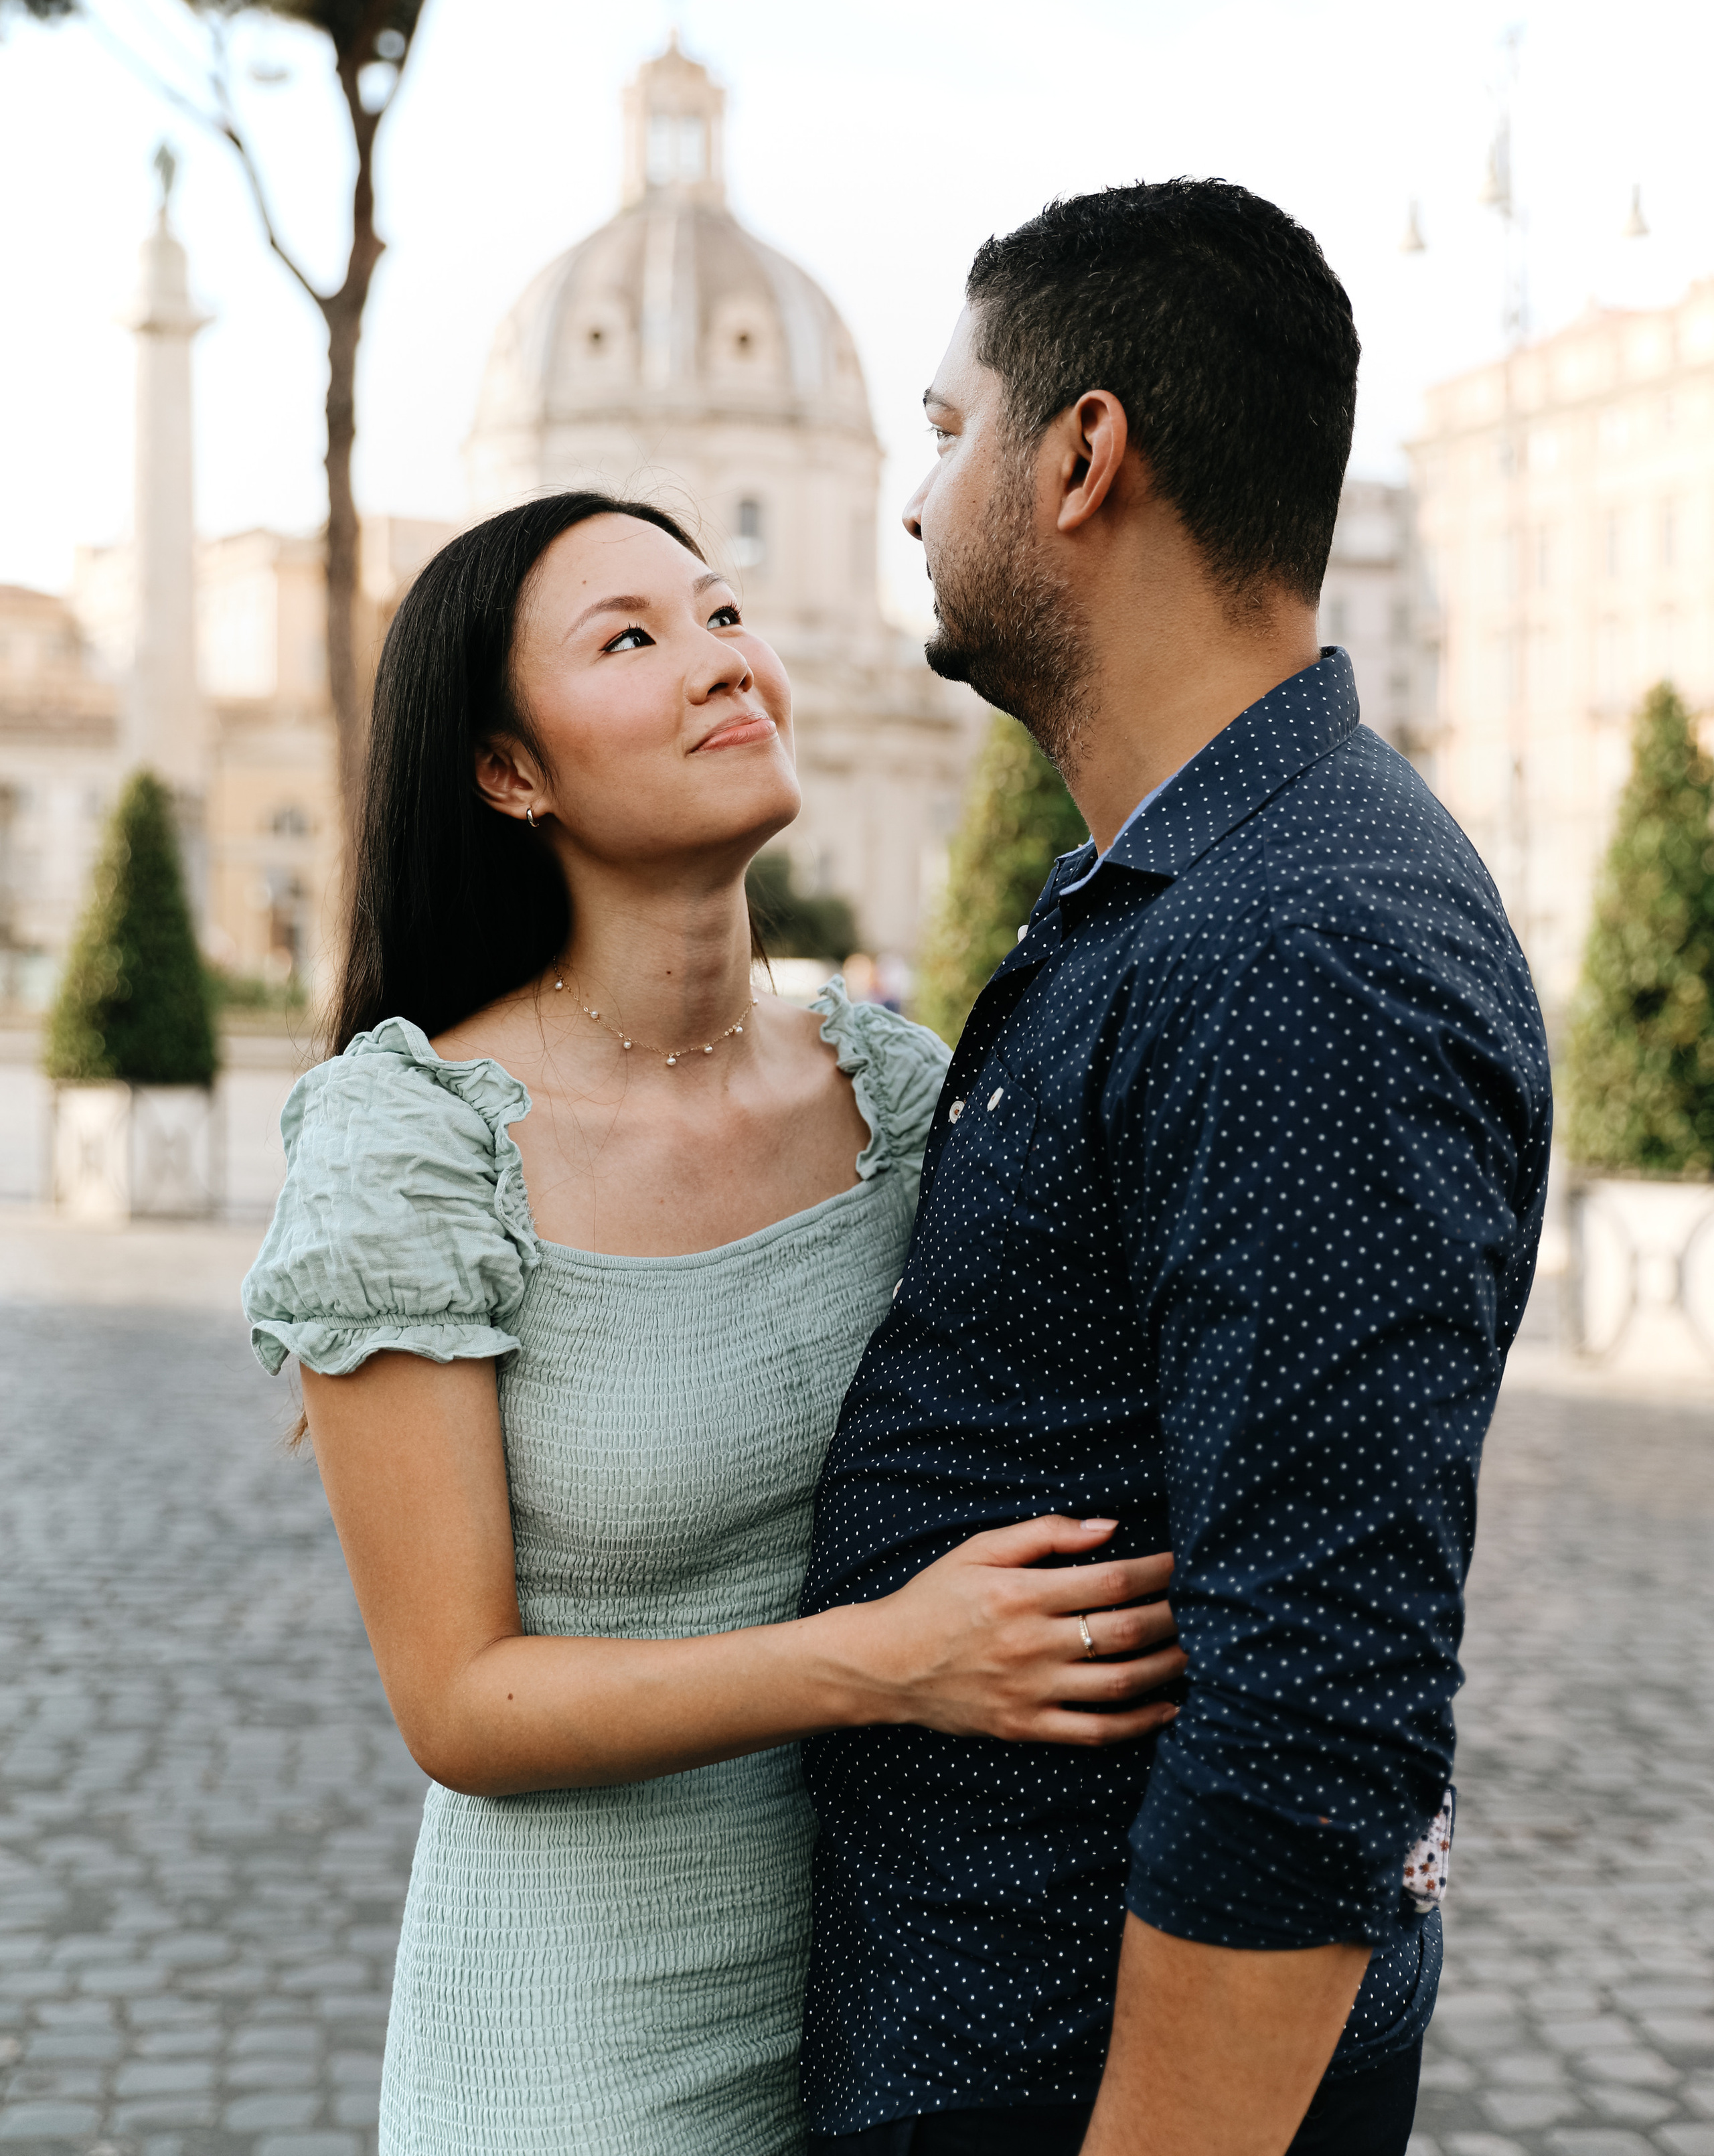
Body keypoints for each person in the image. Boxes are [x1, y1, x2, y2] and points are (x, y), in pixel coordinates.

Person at [240, 491, 1187, 2156]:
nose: (718, 664)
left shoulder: (894, 1094)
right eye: (632, 639)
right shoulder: (409, 1143)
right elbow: (460, 1706)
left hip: (903, 2023)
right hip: (573, 2055)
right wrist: (888, 1664)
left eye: (723, 614)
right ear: (505, 772)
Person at [799, 181, 1553, 2156]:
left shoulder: (1297, 947)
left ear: (1083, 454)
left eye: (949, 428)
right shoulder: (1190, 878)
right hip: (981, 2026)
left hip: (1058, 2074)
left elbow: (1318, 1723)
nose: (912, 496)